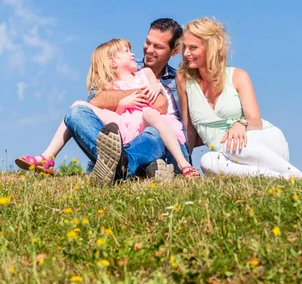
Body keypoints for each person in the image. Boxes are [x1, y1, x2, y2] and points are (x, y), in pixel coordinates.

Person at [177, 17, 302, 179]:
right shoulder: (184, 80)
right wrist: (184, 165)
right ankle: (297, 179)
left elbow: (255, 120)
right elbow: (189, 130)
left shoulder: (237, 76)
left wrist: (240, 124)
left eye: (193, 48)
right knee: (208, 161)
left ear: (210, 47)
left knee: (229, 147)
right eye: (184, 47)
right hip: (228, 153)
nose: (186, 53)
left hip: (261, 141)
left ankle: (299, 176)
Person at [16, 38, 199, 180]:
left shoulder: (145, 73)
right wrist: (122, 104)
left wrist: (154, 89)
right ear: (112, 62)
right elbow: (118, 122)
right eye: (127, 51)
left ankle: (132, 165)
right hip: (126, 136)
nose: (134, 54)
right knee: (76, 108)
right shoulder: (108, 86)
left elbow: (160, 104)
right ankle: (48, 157)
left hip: (152, 133)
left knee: (150, 119)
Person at [65, 18, 190, 184]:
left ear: (174, 51)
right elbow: (96, 99)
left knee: (154, 130)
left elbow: (160, 106)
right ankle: (128, 166)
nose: (149, 50)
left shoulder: (179, 80)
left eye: (158, 47)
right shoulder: (124, 65)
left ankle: (122, 165)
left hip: (165, 143)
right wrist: (133, 95)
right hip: (127, 137)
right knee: (76, 112)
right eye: (148, 42)